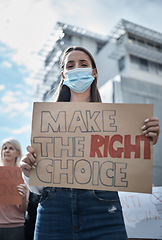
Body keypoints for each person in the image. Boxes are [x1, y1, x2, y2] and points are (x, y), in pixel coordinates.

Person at [20, 46, 160, 240]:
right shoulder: (46, 119)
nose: (77, 68)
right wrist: (28, 172)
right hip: (54, 210)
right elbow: (37, 185)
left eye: (83, 64)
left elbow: (127, 169)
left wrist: (145, 141)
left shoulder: (120, 120)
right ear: (63, 74)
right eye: (70, 65)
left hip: (104, 209)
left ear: (94, 72)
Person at [0, 138, 29, 240]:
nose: (7, 150)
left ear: (17, 153)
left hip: (15, 227)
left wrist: (23, 197)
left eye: (11, 148)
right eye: (4, 148)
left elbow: (23, 209)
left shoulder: (22, 176)